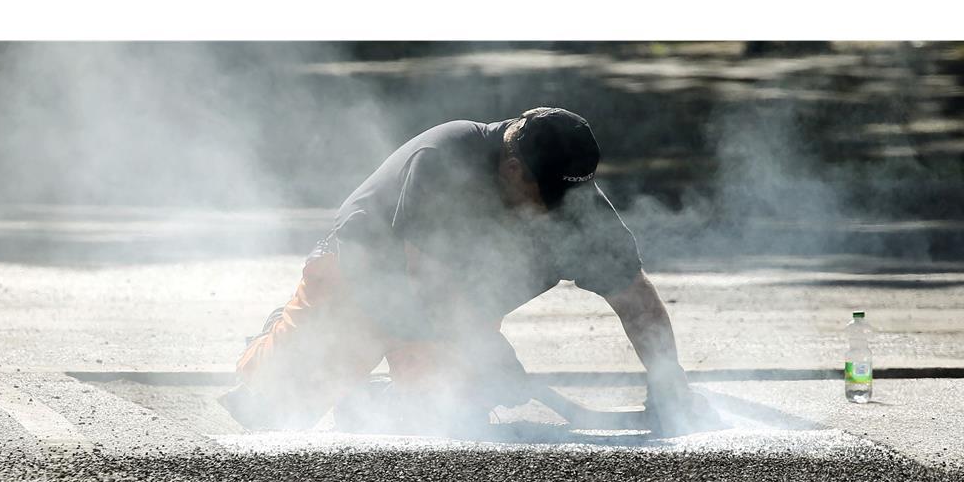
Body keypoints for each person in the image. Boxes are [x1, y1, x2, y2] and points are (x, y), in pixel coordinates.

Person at [221, 107, 714, 434]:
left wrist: (670, 382)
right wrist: (487, 352)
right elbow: (422, 285)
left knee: (447, 420)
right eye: (552, 199)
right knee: (273, 412)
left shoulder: (574, 203)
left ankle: (375, 400)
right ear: (514, 168)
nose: (565, 212)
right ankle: (270, 344)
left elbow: (636, 299)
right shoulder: (446, 157)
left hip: (447, 308)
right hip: (362, 282)